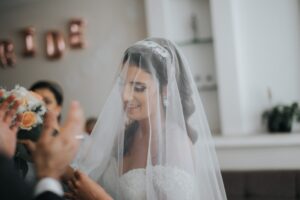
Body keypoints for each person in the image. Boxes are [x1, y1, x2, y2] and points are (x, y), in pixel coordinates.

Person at [67, 38, 227, 199]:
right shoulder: (128, 134)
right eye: (123, 84)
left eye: (138, 87)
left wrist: (97, 197)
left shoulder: (176, 145)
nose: (125, 95)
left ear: (165, 90)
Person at [0, 90, 85, 200]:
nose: (42, 107)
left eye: (46, 101)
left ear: (59, 108)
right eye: (37, 101)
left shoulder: (68, 145)